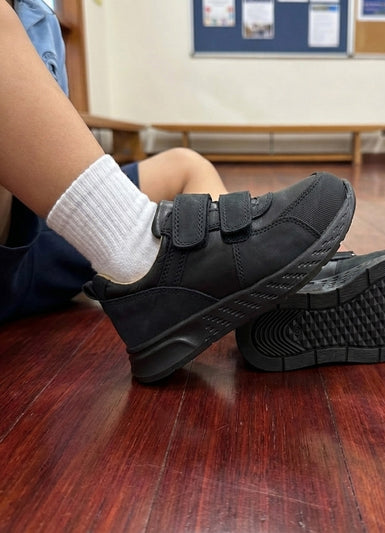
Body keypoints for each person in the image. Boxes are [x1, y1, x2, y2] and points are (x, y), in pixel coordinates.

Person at [0, 0, 355, 383]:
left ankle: (221, 290)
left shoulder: (39, 13)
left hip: (37, 235)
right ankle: (143, 256)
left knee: (186, 165)